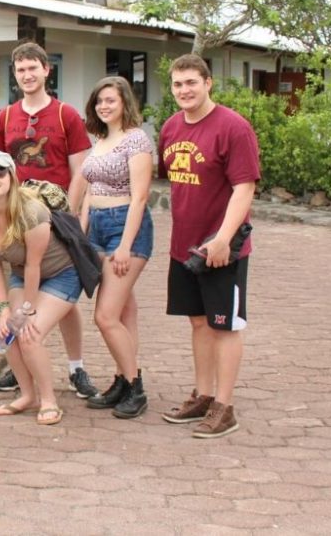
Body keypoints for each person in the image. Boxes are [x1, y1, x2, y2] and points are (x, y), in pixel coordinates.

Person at [158, 54, 260, 438]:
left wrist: (221, 238)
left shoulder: (233, 128)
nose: (184, 90)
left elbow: (244, 187)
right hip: (183, 247)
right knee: (198, 321)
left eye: (191, 83)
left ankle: (224, 405)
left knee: (226, 325)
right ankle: (202, 395)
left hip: (221, 249)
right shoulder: (170, 128)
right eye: (178, 84)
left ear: (208, 83)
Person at [0, 41, 97, 399]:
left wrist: (73, 214)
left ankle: (76, 367)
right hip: (20, 218)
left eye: (33, 68)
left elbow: (80, 168)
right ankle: (23, 373)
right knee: (25, 283)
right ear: (15, 75)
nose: (27, 75)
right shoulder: (5, 117)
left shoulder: (67, 115)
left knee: (64, 301)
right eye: (21, 70)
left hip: (58, 217)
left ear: (47, 70)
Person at [0, 150, 80, 426]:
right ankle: (27, 395)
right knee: (8, 331)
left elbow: (35, 265)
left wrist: (28, 310)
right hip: (22, 275)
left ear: (11, 177)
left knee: (30, 333)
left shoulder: (31, 212)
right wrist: (4, 309)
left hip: (60, 274)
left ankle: (48, 400)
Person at [69, 76, 154, 419]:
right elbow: (90, 191)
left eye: (111, 100)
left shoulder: (136, 140)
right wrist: (83, 233)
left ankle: (135, 386)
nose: (104, 106)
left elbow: (141, 197)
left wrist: (124, 245)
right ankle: (122, 378)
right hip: (98, 230)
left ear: (124, 103)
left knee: (105, 316)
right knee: (122, 312)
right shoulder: (101, 140)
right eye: (99, 101)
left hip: (124, 227)